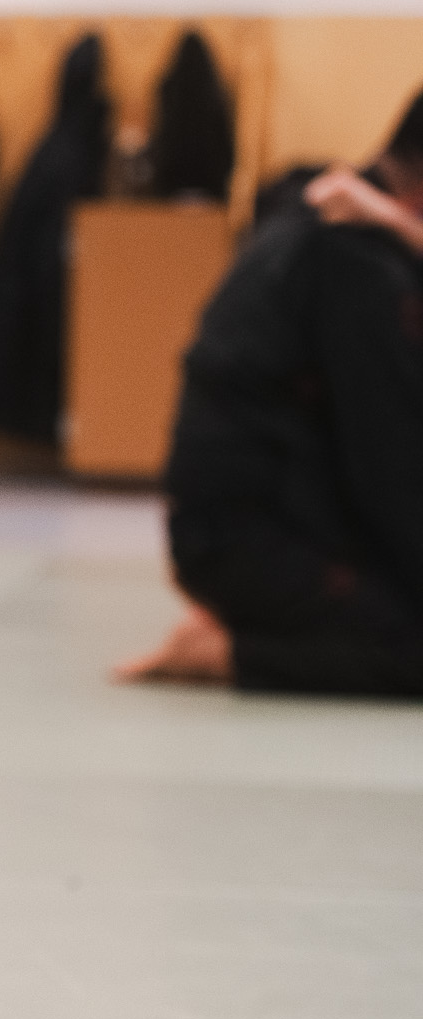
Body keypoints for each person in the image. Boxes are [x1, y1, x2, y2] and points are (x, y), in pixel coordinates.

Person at [116, 90, 423, 696]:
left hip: (260, 519)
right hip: (250, 540)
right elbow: (389, 465)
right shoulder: (356, 262)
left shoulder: (340, 219)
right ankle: (228, 653)